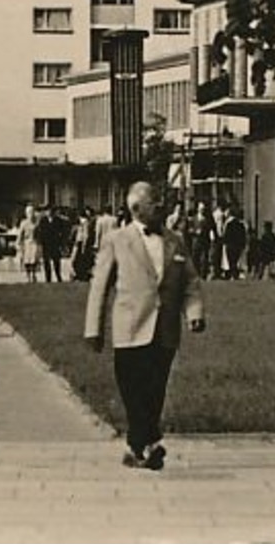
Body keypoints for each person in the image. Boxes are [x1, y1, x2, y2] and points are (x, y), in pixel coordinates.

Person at [84, 180, 206, 471]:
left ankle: (137, 446)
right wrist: (94, 328)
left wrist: (194, 313)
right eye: (155, 200)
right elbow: (100, 285)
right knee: (131, 387)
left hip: (164, 328)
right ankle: (149, 440)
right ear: (137, 208)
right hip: (129, 327)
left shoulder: (175, 240)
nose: (161, 204)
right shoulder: (117, 239)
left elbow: (190, 281)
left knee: (155, 388)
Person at [35, 206, 66, 283]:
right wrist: (40, 242)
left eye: (51, 211)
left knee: (56, 261)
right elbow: (40, 232)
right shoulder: (43, 221)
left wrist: (61, 243)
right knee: (46, 262)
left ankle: (58, 276)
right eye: (47, 211)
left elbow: (62, 232)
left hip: (55, 244)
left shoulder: (58, 221)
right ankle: (48, 278)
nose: (49, 212)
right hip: (46, 244)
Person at [16, 203, 41, 283]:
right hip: (26, 243)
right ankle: (28, 275)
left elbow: (39, 234)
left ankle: (33, 274)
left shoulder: (37, 223)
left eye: (32, 212)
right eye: (29, 212)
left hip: (34, 242)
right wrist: (18, 243)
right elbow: (20, 234)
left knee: (34, 260)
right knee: (26, 260)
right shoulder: (23, 223)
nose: (30, 214)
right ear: (26, 213)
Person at [223, 206, 249, 280]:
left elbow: (226, 235)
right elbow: (243, 236)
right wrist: (243, 244)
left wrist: (225, 243)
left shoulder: (229, 224)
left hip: (230, 245)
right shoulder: (241, 225)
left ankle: (233, 273)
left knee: (231, 260)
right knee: (236, 259)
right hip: (238, 246)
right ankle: (235, 274)